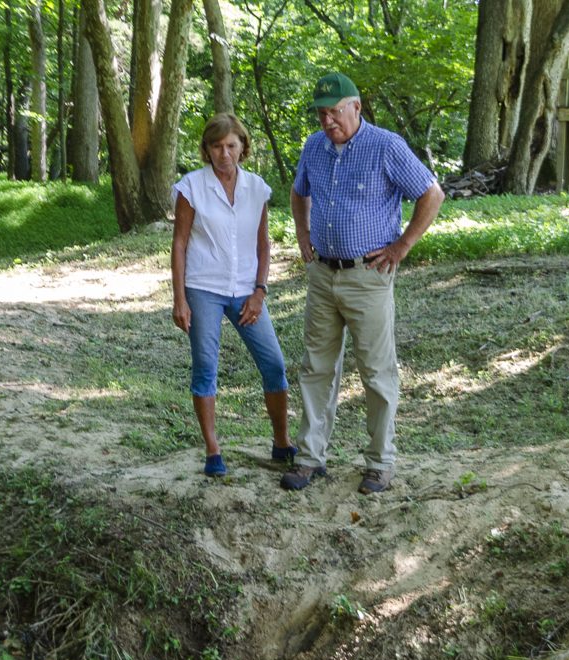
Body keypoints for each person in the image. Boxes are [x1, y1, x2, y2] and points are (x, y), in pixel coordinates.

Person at [281, 72, 444, 494]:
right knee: (316, 367)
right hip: (322, 275)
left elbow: (432, 193)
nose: (328, 120)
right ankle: (310, 457)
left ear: (356, 106)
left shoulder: (386, 146)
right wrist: (302, 234)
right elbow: (300, 192)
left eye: (335, 111)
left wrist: (401, 246)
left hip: (368, 276)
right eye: (322, 112)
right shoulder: (313, 147)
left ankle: (379, 462)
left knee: (375, 372)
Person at [171, 114, 297, 477]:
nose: (224, 153)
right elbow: (179, 244)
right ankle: (213, 450)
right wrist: (180, 298)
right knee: (206, 367)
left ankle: (282, 442)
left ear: (243, 147)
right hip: (203, 287)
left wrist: (260, 291)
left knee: (273, 363)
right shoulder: (191, 187)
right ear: (206, 150)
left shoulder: (257, 188)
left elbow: (262, 243)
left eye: (231, 145)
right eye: (216, 146)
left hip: (245, 289)